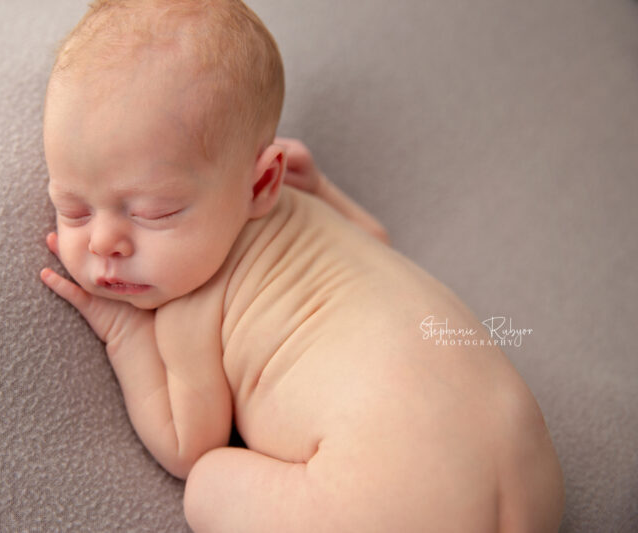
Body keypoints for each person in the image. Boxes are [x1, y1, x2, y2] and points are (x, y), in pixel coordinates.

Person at [39, 1, 564, 531]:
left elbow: (184, 445)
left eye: (155, 211)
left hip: (387, 500)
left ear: (262, 183)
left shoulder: (190, 304)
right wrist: (323, 189)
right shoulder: (309, 213)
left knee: (207, 483)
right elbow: (378, 240)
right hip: (533, 475)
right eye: (74, 208)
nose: (104, 241)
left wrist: (124, 331)